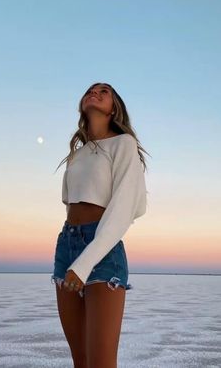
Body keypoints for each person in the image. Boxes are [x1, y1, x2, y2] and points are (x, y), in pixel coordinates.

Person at [51, 82, 150, 368]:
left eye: (103, 91)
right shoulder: (77, 154)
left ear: (114, 107)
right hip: (67, 244)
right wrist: (73, 255)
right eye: (90, 90)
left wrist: (84, 264)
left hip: (103, 249)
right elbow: (70, 201)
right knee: (80, 361)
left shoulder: (124, 144)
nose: (94, 92)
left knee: (101, 363)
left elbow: (124, 211)